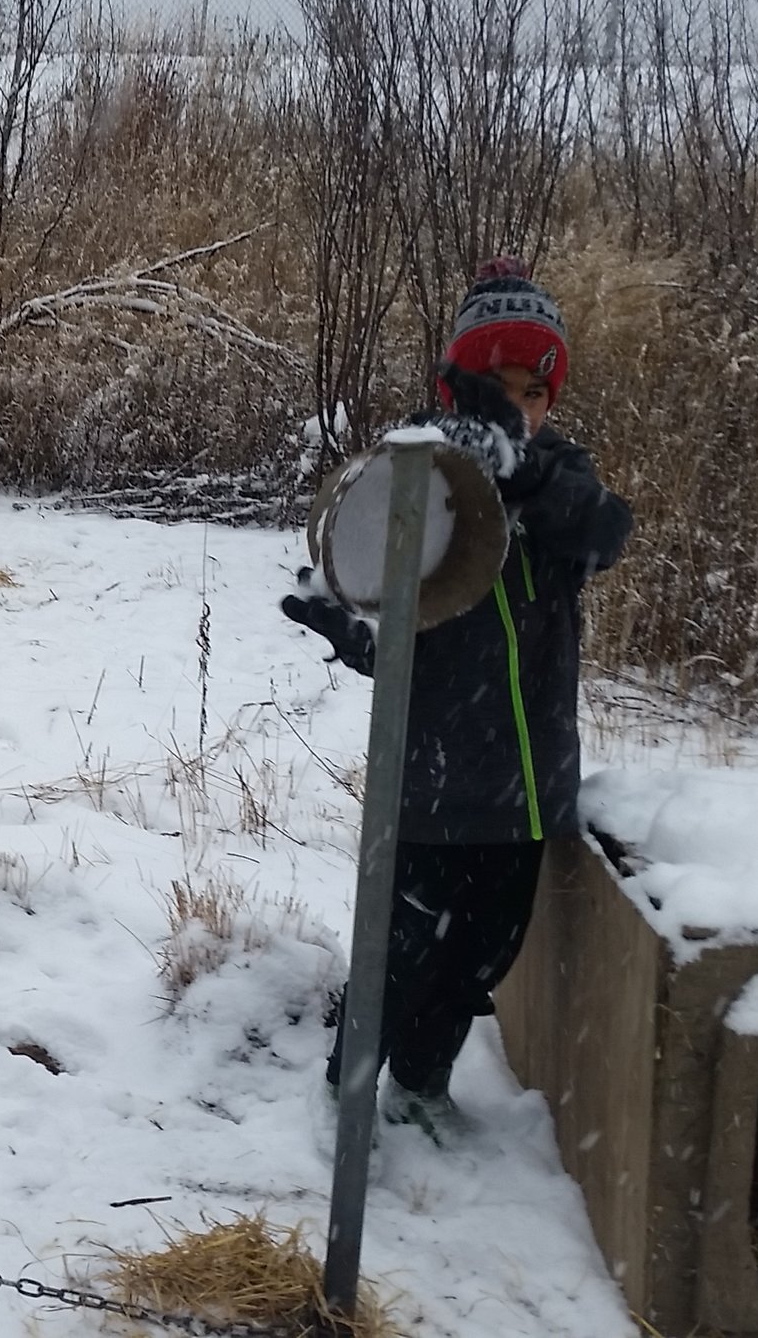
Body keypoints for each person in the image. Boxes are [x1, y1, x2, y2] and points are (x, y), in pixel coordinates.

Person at [283, 257, 632, 1140]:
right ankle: (346, 1098)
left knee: (481, 956)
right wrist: (351, 630)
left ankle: (423, 1084)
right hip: (431, 781)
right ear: (454, 384)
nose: (517, 402)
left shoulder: (558, 476)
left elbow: (604, 531)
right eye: (496, 384)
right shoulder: (420, 475)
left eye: (532, 388)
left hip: (526, 786)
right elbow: (391, 612)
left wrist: (522, 474)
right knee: (402, 956)